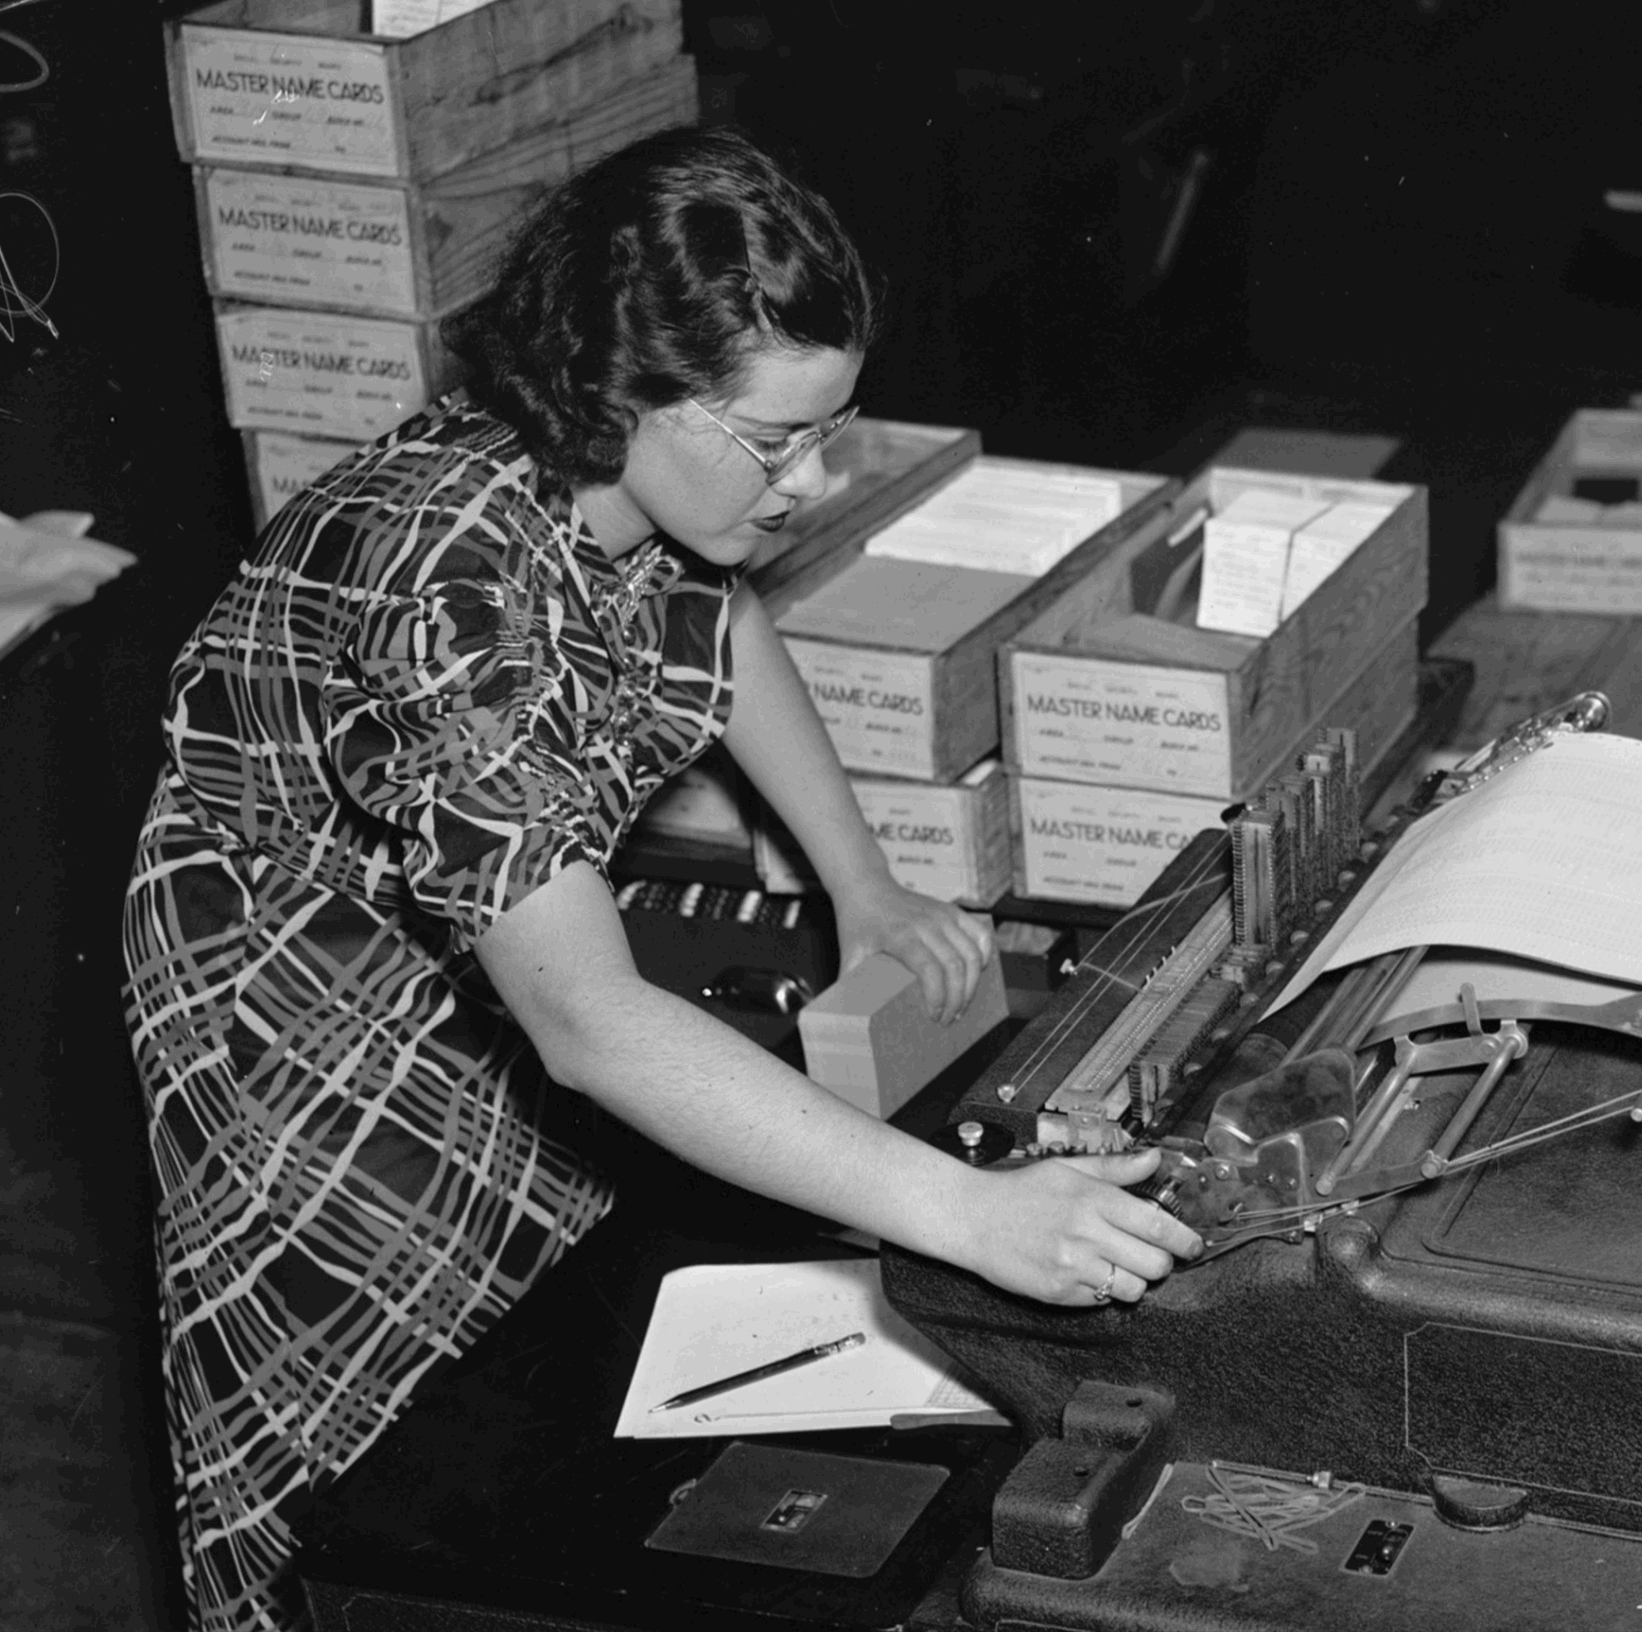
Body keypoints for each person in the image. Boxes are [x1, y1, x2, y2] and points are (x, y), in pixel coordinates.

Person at [120, 126, 1201, 1632]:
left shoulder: (620, 483)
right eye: (774, 445)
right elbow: (593, 1029)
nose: (810, 481)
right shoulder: (451, 597)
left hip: (484, 954)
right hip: (303, 1003)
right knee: (356, 1449)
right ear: (617, 394)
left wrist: (863, 883)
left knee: (561, 1352)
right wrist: (964, 1215)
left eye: (831, 429)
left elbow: (716, 624)